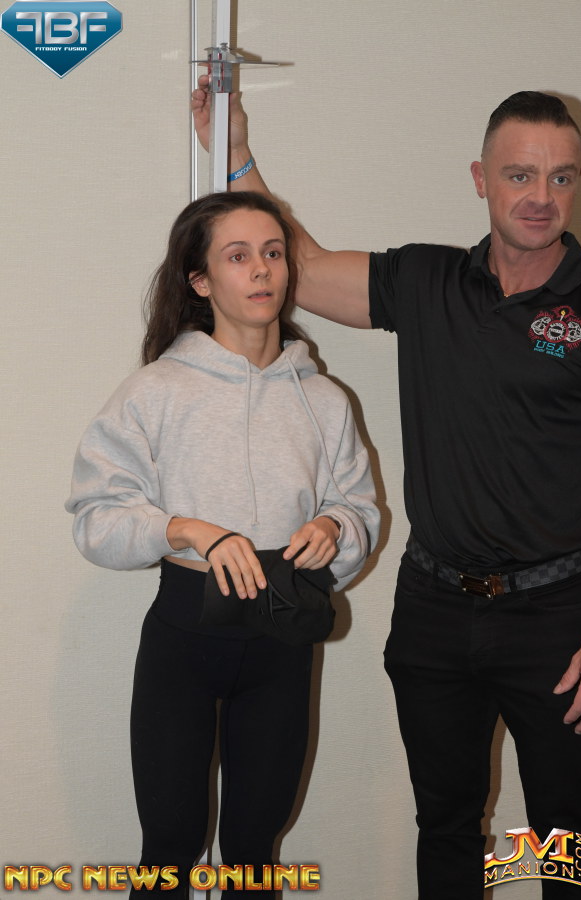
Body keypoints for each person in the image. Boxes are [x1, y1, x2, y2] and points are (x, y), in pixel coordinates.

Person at [192, 83, 581, 899]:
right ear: (481, 179)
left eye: (561, 178)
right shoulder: (427, 280)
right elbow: (302, 268)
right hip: (435, 609)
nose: (541, 197)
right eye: (520, 175)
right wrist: (233, 151)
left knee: (567, 837)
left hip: (561, 618)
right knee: (445, 823)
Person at [65, 190, 379, 899]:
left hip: (283, 638)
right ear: (200, 281)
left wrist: (335, 529)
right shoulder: (154, 392)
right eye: (238, 257)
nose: (262, 270)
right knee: (169, 851)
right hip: (185, 635)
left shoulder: (323, 399)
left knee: (253, 856)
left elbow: (360, 508)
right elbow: (95, 517)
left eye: (273, 253)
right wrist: (184, 528)